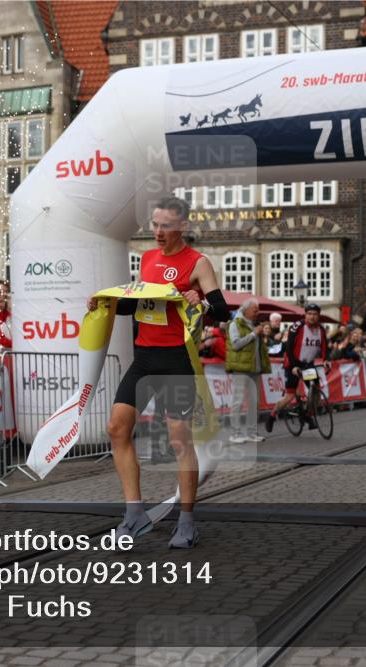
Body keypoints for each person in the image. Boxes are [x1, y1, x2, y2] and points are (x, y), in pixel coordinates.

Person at [86, 196, 228, 548]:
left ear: (182, 226)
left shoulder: (198, 262)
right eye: (155, 224)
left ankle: (187, 521)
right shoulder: (148, 258)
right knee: (117, 428)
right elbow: (137, 305)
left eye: (166, 225)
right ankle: (134, 514)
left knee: (180, 439)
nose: (158, 232)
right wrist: (105, 303)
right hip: (144, 358)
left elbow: (223, 310)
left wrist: (203, 302)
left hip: (176, 360)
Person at [265, 303, 328, 432]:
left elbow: (324, 347)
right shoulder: (298, 327)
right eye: (309, 314)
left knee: (316, 392)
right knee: (290, 396)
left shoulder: (321, 329)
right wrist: (293, 366)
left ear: (318, 315)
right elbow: (288, 348)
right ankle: (272, 415)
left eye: (315, 314)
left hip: (307, 365)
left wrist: (326, 360)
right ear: (305, 315)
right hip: (293, 363)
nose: (312, 317)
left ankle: (308, 415)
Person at [225, 297, 269, 444]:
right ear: (246, 310)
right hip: (240, 369)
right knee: (237, 401)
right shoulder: (235, 324)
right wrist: (253, 334)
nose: (258, 313)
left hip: (254, 369)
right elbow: (236, 344)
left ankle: (251, 433)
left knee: (254, 402)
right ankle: (235, 433)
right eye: (255, 310)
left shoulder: (254, 324)